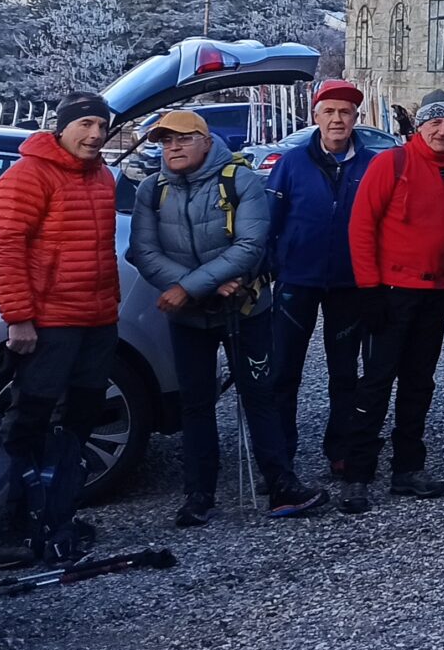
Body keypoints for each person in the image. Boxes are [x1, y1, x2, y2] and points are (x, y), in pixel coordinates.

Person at [128, 108, 317, 525]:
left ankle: (282, 483)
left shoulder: (240, 179)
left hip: (244, 307)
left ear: (206, 140)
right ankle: (199, 493)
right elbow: (142, 251)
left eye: (182, 139)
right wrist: (202, 285)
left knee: (259, 395)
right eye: (165, 141)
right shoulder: (151, 189)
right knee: (195, 403)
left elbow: (251, 245)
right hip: (190, 314)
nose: (173, 147)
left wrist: (188, 286)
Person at [0, 92, 123, 566]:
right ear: (61, 128)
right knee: (27, 423)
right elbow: (4, 248)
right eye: (85, 124)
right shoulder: (27, 175)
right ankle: (3, 528)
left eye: (102, 126)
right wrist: (19, 316)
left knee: (80, 422)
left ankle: (58, 515)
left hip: (98, 320)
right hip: (50, 323)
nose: (95, 135)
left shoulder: (102, 174)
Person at [342, 89, 444, 512]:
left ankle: (408, 468)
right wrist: (369, 287)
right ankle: (358, 473)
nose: (443, 131)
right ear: (420, 125)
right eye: (435, 122)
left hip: (436, 291)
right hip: (391, 292)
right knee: (376, 383)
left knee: (419, 383)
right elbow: (361, 226)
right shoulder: (391, 163)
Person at [264, 78, 380, 482]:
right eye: (329, 111)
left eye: (345, 112)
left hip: (349, 283)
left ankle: (343, 450)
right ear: (315, 116)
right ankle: (279, 457)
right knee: (284, 370)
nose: (337, 119)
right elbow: (268, 222)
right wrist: (268, 266)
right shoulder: (291, 163)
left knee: (345, 372)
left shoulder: (371, 164)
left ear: (355, 119)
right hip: (297, 278)